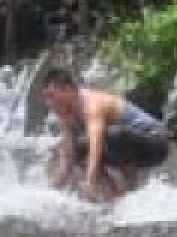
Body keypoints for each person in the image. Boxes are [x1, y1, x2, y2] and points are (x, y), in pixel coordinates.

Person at [41, 68, 169, 202]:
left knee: (112, 136)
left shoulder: (91, 104)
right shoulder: (65, 112)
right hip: (127, 144)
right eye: (45, 97)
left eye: (51, 96)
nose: (48, 103)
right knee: (79, 150)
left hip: (155, 142)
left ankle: (130, 193)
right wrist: (52, 191)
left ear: (68, 89)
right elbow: (68, 156)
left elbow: (96, 146)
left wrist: (89, 181)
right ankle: (115, 197)